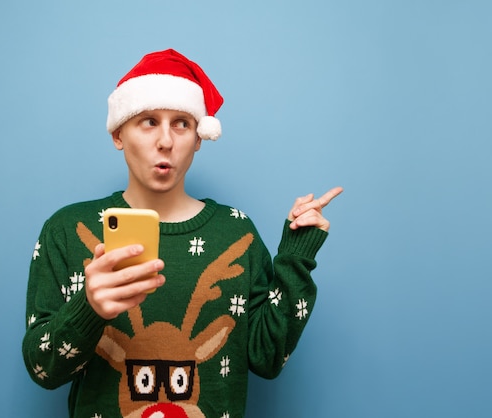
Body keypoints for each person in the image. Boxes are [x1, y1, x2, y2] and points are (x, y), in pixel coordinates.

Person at [22, 48, 343, 418]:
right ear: (117, 134)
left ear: (198, 138)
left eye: (181, 123)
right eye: (148, 121)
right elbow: (42, 368)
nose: (166, 141)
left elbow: (267, 356)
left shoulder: (235, 233)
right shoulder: (67, 231)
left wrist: (297, 253)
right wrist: (89, 308)